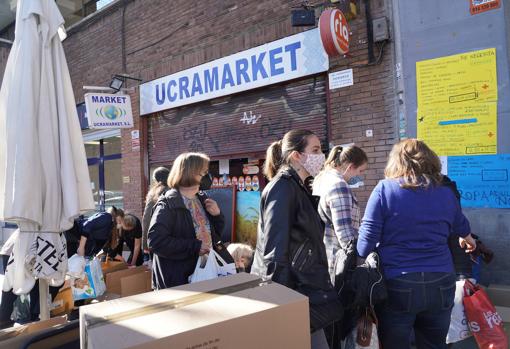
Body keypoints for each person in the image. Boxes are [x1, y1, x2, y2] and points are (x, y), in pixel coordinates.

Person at [356, 139, 477, 349]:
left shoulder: (384, 190)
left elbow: (364, 245)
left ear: (396, 162)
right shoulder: (445, 192)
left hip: (398, 282)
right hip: (441, 282)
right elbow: (462, 227)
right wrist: (468, 238)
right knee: (434, 344)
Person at [251, 129, 339, 349]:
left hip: (304, 289)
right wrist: (280, 303)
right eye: (316, 150)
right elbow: (274, 250)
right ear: (296, 155)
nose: (322, 156)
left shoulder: (298, 187)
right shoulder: (282, 188)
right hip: (293, 291)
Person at [148, 152, 225, 289]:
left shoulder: (202, 199)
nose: (207, 176)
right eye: (203, 172)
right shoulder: (167, 204)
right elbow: (156, 242)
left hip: (205, 272)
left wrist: (217, 215)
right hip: (179, 281)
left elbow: (215, 234)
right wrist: (194, 246)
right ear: (189, 173)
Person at [313, 145, 368, 276]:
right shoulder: (339, 185)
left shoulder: (322, 179)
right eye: (360, 171)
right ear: (350, 167)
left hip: (326, 253)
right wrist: (358, 261)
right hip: (338, 259)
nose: (360, 175)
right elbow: (344, 232)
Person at [142, 167, 170, 257]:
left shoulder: (154, 193)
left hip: (158, 239)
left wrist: (145, 244)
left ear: (156, 180)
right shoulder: (176, 191)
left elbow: (146, 219)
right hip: (173, 239)